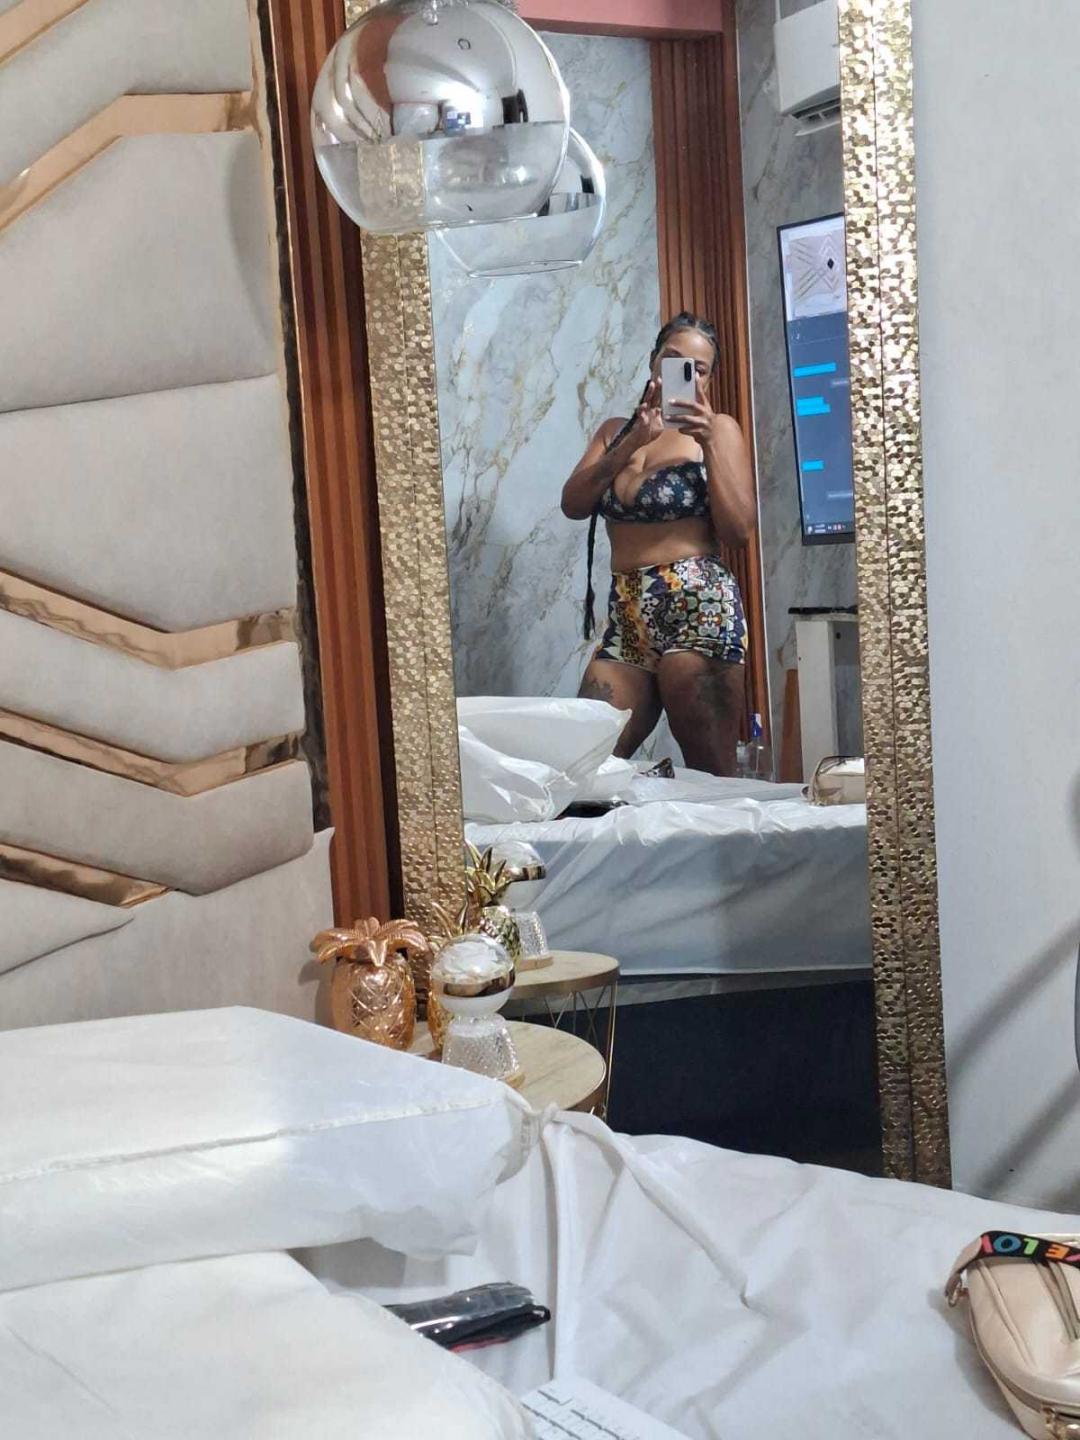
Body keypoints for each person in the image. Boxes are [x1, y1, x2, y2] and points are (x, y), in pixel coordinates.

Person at [561, 313, 756, 776]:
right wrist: (630, 444)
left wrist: (708, 441)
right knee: (583, 768)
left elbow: (739, 532)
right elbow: (573, 503)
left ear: (708, 379)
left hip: (699, 610)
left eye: (698, 368)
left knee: (711, 770)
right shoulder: (614, 431)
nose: (684, 373)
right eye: (672, 359)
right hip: (628, 616)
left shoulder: (718, 429)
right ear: (653, 362)